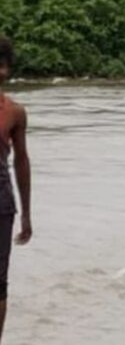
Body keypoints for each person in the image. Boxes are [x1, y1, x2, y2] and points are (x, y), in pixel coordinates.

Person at [0, 37, 32, 341]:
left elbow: (22, 162)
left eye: (2, 64)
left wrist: (26, 215)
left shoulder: (14, 112)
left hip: (2, 204)